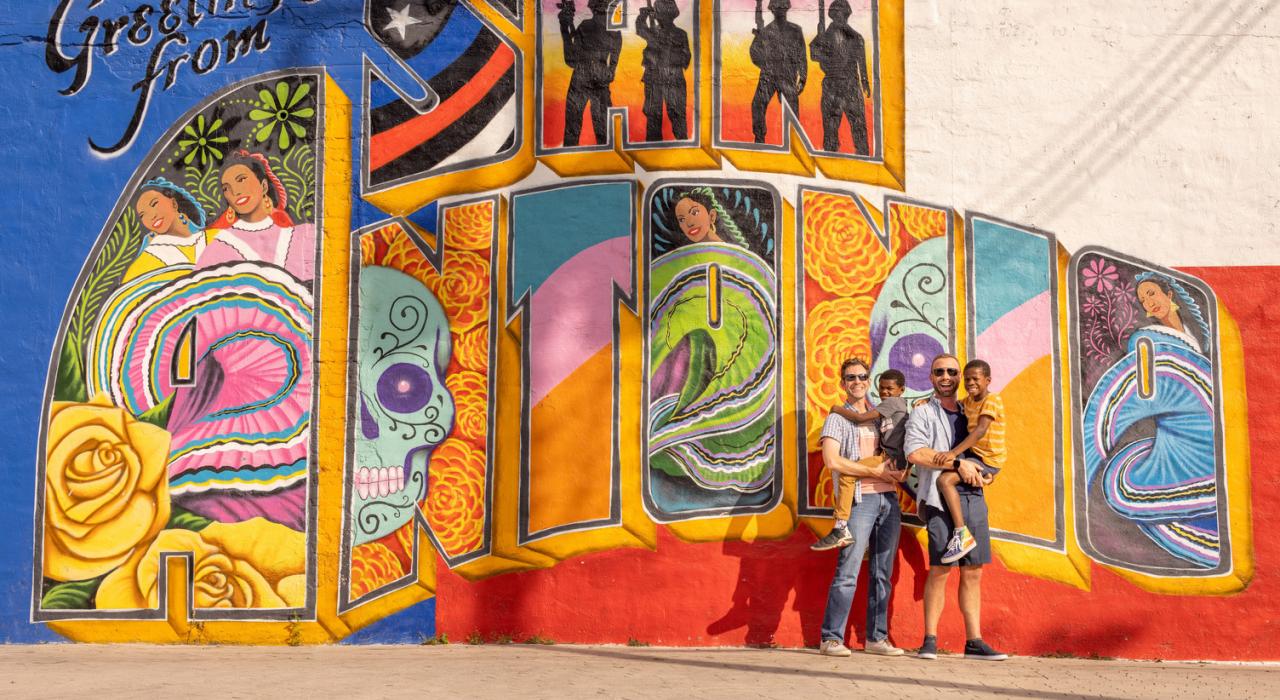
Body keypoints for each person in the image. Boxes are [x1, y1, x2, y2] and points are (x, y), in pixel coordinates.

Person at [904, 353, 1008, 661]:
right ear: (932, 377)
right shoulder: (923, 412)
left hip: (972, 495)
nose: (946, 376)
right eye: (940, 371)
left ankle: (973, 641)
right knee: (940, 568)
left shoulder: (972, 408)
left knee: (973, 570)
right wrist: (959, 462)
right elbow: (915, 453)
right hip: (938, 498)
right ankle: (930, 639)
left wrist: (983, 473)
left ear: (959, 377)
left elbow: (990, 447)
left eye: (952, 371)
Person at [818, 358, 906, 657]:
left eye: (862, 376)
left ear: (869, 380)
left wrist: (898, 471)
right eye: (850, 377)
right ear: (843, 383)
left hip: (888, 500)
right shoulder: (837, 419)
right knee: (848, 571)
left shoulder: (880, 415)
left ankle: (876, 638)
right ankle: (831, 638)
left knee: (883, 572)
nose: (857, 381)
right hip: (859, 500)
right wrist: (875, 473)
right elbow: (833, 461)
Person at [811, 369, 908, 551]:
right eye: (882, 389)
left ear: (901, 390)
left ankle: (840, 528)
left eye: (890, 389)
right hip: (886, 466)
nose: (885, 393)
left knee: (847, 475)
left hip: (889, 461)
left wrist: (836, 409)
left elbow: (859, 417)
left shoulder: (892, 404)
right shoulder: (888, 412)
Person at [197, 150, 316, 283]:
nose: (235, 192)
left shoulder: (302, 235)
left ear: (263, 185)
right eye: (226, 188)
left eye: (241, 180)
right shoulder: (219, 245)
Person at [930, 359, 1005, 564]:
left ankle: (961, 533)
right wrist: (926, 402)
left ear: (988, 380)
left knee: (945, 481)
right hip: (977, 456)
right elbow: (950, 404)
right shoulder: (969, 401)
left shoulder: (992, 400)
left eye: (976, 379)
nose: (971, 383)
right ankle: (961, 532)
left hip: (988, 459)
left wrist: (953, 453)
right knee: (946, 481)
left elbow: (980, 430)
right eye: (968, 379)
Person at [123, 178, 217, 282]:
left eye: (154, 204)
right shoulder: (151, 253)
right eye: (142, 215)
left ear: (174, 204)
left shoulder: (212, 236)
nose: (151, 216)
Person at [809, 0, 871, 154]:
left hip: (851, 85)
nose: (839, 17)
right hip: (831, 85)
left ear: (846, 15)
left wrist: (865, 81)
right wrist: (822, 45)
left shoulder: (856, 37)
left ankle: (863, 157)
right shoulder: (825, 35)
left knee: (858, 127)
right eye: (836, 14)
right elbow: (813, 54)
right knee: (830, 129)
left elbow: (861, 61)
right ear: (832, 15)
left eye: (842, 14)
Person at [559, 0, 622, 147]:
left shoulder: (588, 27)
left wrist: (565, 28)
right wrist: (566, 28)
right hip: (591, 76)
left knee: (579, 127)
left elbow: (571, 59)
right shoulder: (612, 31)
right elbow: (572, 59)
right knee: (600, 129)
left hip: (585, 76)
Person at [749, 0, 807, 144]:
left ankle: (794, 141)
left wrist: (803, 77)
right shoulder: (766, 31)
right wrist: (765, 63)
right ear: (772, 9)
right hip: (768, 76)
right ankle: (759, 139)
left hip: (787, 75)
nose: (780, 10)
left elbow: (802, 55)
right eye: (777, 7)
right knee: (757, 104)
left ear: (787, 8)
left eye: (782, 7)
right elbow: (754, 54)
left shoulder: (795, 30)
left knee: (792, 110)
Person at [637, 0, 691, 141]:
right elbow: (686, 58)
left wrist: (643, 15)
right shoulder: (680, 33)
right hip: (667, 78)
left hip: (663, 78)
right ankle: (681, 143)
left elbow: (640, 29)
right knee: (668, 115)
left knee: (660, 116)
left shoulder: (657, 33)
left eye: (657, 12)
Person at [672, 187, 751, 246]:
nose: (689, 223)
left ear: (712, 216)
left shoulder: (732, 253)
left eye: (695, 213)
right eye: (681, 219)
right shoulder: (684, 257)